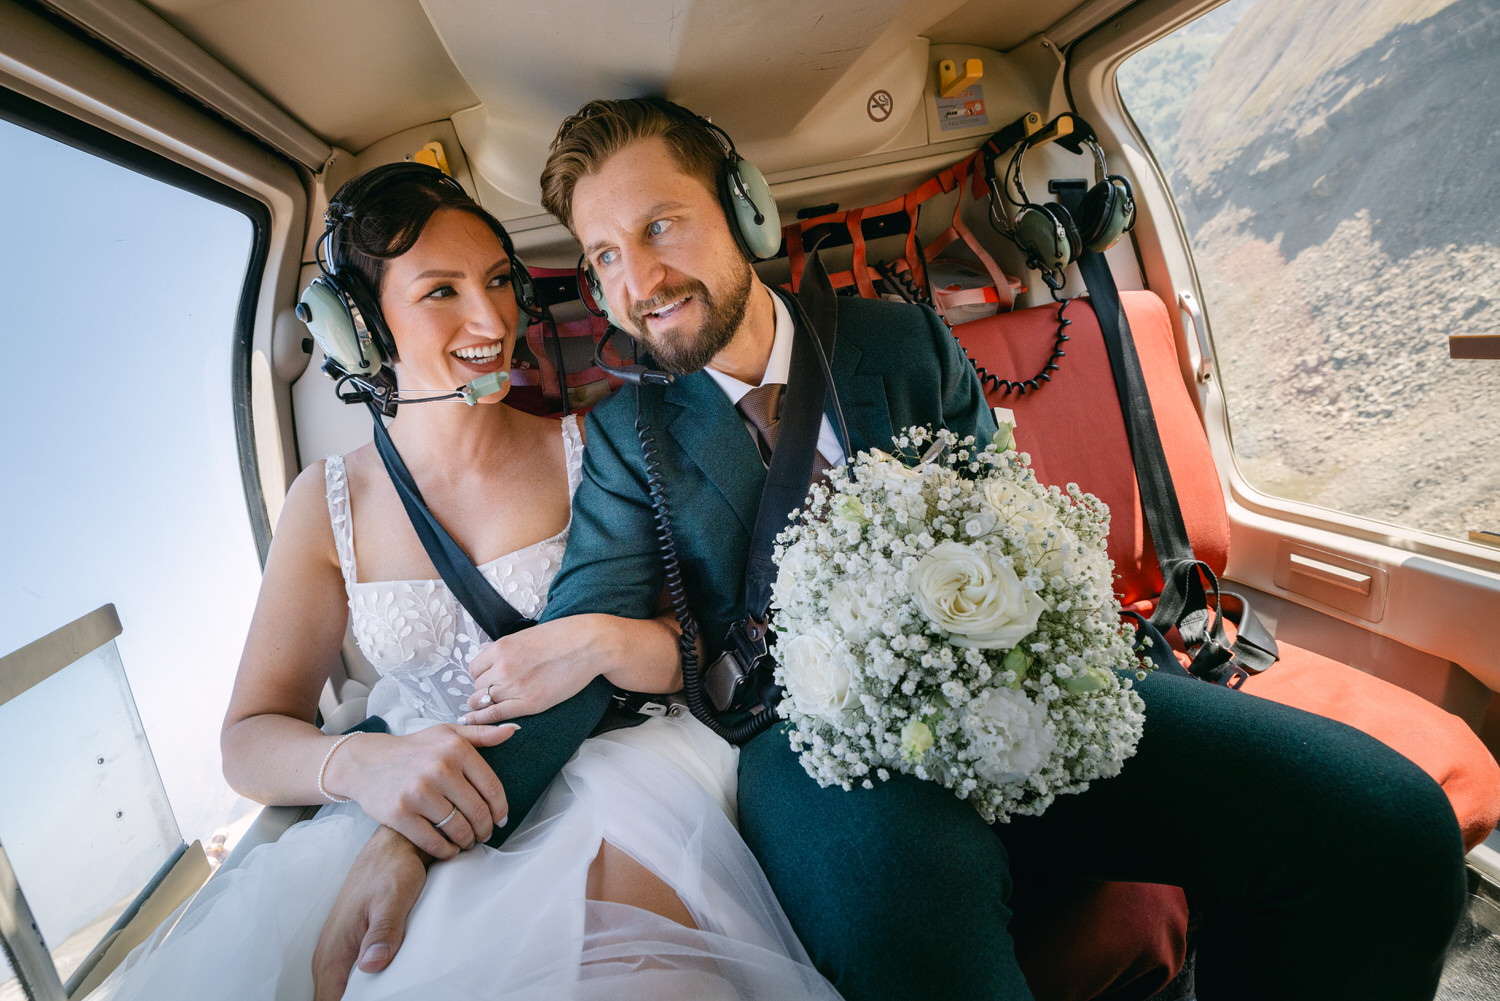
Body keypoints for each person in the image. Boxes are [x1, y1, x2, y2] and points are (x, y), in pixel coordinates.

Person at [314, 100, 1469, 1001]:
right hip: (806, 750)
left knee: (1387, 828)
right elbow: (570, 655)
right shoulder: (626, 439)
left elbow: (1011, 530)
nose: (639, 283)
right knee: (912, 937)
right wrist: (417, 837)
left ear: (744, 212)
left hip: (1024, 689)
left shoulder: (893, 339)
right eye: (605, 256)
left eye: (660, 226)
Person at [85, 162, 842, 1001]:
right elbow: (249, 740)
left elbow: (689, 653)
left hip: (618, 767)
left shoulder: (595, 449)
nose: (490, 320)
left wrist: (597, 643)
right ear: (362, 328)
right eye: (439, 291)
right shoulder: (325, 503)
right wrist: (363, 770)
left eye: (495, 283)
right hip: (412, 794)